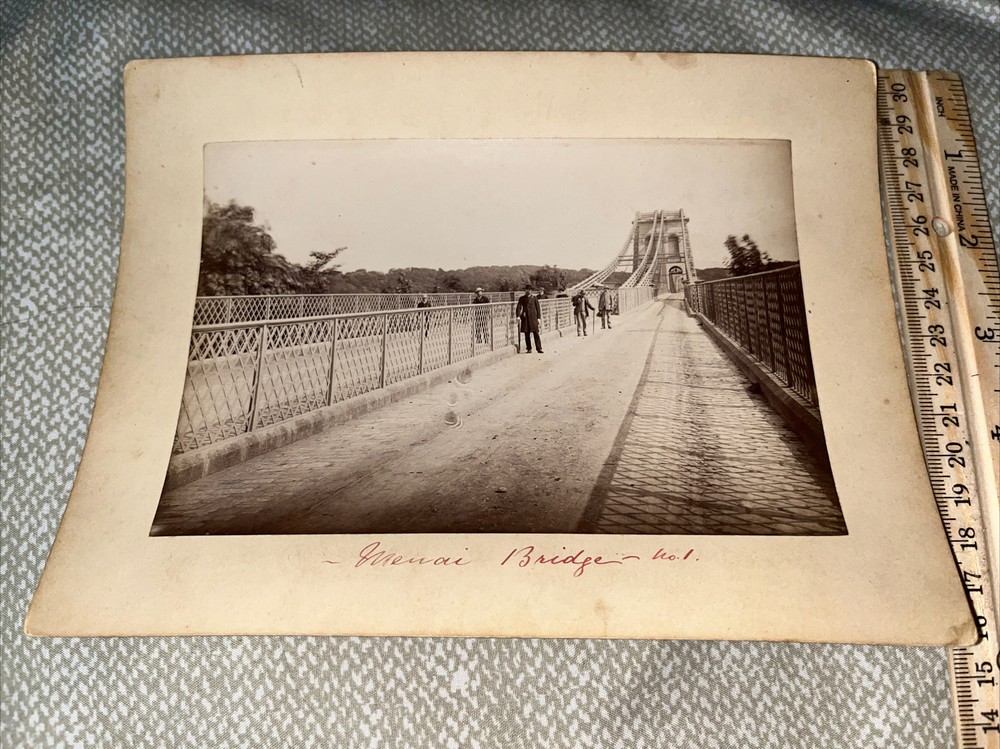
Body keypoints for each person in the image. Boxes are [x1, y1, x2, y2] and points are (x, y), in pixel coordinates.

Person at [515, 286, 543, 353]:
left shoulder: (534, 298)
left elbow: (538, 309)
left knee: (536, 333)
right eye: (527, 290)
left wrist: (538, 318)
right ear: (525, 290)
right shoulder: (522, 298)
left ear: (531, 291)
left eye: (529, 290)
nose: (528, 291)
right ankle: (529, 348)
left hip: (533, 318)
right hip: (525, 317)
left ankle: (539, 348)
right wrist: (518, 316)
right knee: (526, 333)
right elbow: (518, 307)